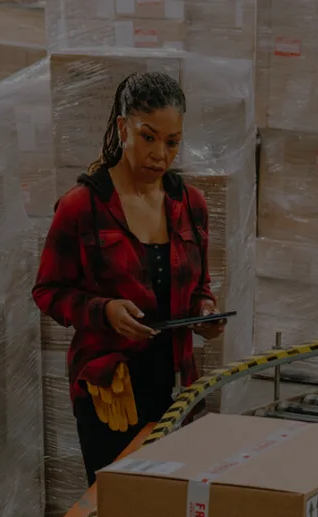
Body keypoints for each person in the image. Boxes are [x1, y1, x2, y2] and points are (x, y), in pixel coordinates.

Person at [33, 71, 225, 490]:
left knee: (175, 506)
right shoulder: (81, 206)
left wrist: (204, 313)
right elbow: (48, 291)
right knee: (117, 512)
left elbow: (200, 287)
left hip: (177, 385)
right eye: (148, 136)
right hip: (111, 389)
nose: (160, 154)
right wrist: (103, 311)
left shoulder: (190, 203)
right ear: (123, 129)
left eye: (172, 142)